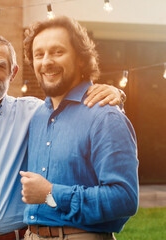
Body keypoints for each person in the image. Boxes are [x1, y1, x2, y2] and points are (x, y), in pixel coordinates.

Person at [0, 34, 124, 240]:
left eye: (0, 66)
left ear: (13, 72)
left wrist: (114, 93)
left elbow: (77, 112)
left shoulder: (36, 113)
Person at [20, 16, 138, 240]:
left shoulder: (105, 116)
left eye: (57, 52)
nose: (46, 62)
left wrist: (51, 194)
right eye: (39, 54)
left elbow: (125, 199)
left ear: (81, 60)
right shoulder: (36, 116)